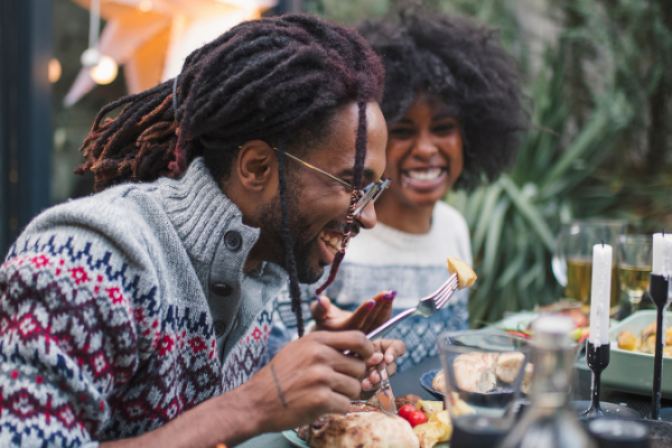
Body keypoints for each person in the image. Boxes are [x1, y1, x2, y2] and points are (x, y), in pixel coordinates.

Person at [0, 14, 405, 448]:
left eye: (374, 189)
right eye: (352, 185)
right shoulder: (82, 261)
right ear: (256, 168)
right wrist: (250, 406)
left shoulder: (266, 259)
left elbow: (268, 385)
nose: (368, 217)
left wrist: (324, 368)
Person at [270, 10, 528, 371]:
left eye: (442, 128)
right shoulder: (331, 235)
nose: (425, 149)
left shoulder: (454, 227)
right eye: (403, 131)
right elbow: (283, 354)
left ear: (469, 136)